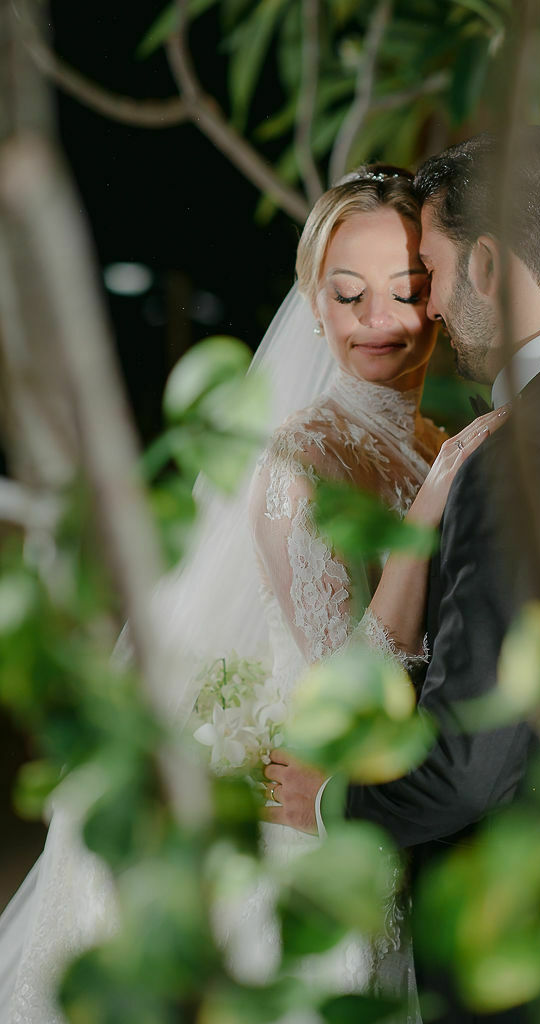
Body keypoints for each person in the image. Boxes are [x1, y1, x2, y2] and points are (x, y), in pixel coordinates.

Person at [0, 164, 506, 1023]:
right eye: (348, 295)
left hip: (396, 804)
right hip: (309, 824)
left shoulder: (433, 443)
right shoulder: (301, 464)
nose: (379, 321)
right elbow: (348, 683)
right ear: (313, 301)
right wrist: (428, 513)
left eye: (407, 291)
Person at [267, 129, 540, 1021]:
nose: (429, 306)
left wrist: (328, 802)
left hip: (518, 947)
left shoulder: (520, 460)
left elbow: (467, 765)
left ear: (486, 265)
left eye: (431, 271)